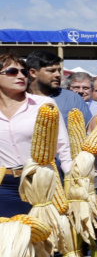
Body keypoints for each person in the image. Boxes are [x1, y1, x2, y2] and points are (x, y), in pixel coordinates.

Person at [0, 53, 71, 217]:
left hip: (40, 180)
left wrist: (71, 180)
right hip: (4, 184)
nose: (20, 76)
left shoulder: (44, 104)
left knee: (43, 231)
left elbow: (63, 146)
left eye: (23, 72)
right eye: (12, 72)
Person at [25, 50, 89, 126]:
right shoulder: (17, 98)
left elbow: (89, 128)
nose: (58, 75)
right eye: (52, 71)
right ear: (33, 73)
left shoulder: (73, 99)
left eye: (59, 70)